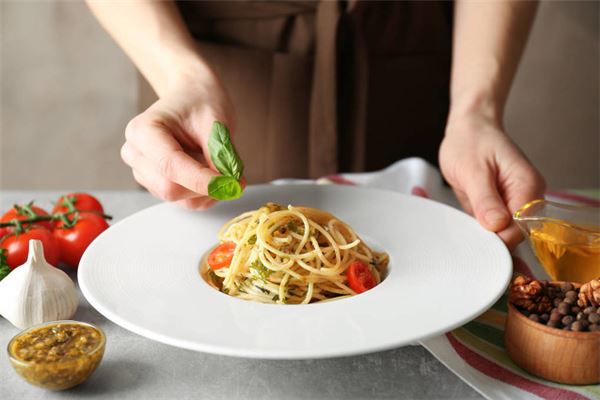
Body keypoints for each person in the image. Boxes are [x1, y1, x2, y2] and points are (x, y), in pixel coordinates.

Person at [87, 0, 545, 250]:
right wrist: (181, 76)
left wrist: (475, 112)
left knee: (420, 254)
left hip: (409, 53)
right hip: (221, 62)